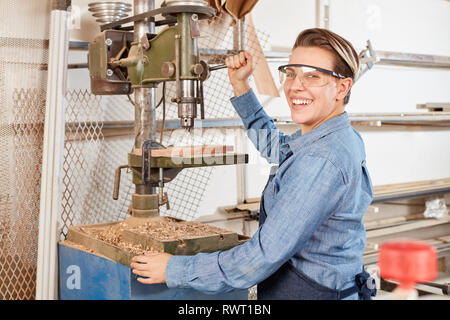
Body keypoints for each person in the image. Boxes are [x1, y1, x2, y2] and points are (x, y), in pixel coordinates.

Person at [130, 28, 376, 300]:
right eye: (291, 73)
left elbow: (262, 255)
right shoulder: (333, 136)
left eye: (312, 76)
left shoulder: (322, 159)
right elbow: (277, 148)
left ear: (342, 87)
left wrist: (176, 270)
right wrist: (240, 85)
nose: (295, 86)